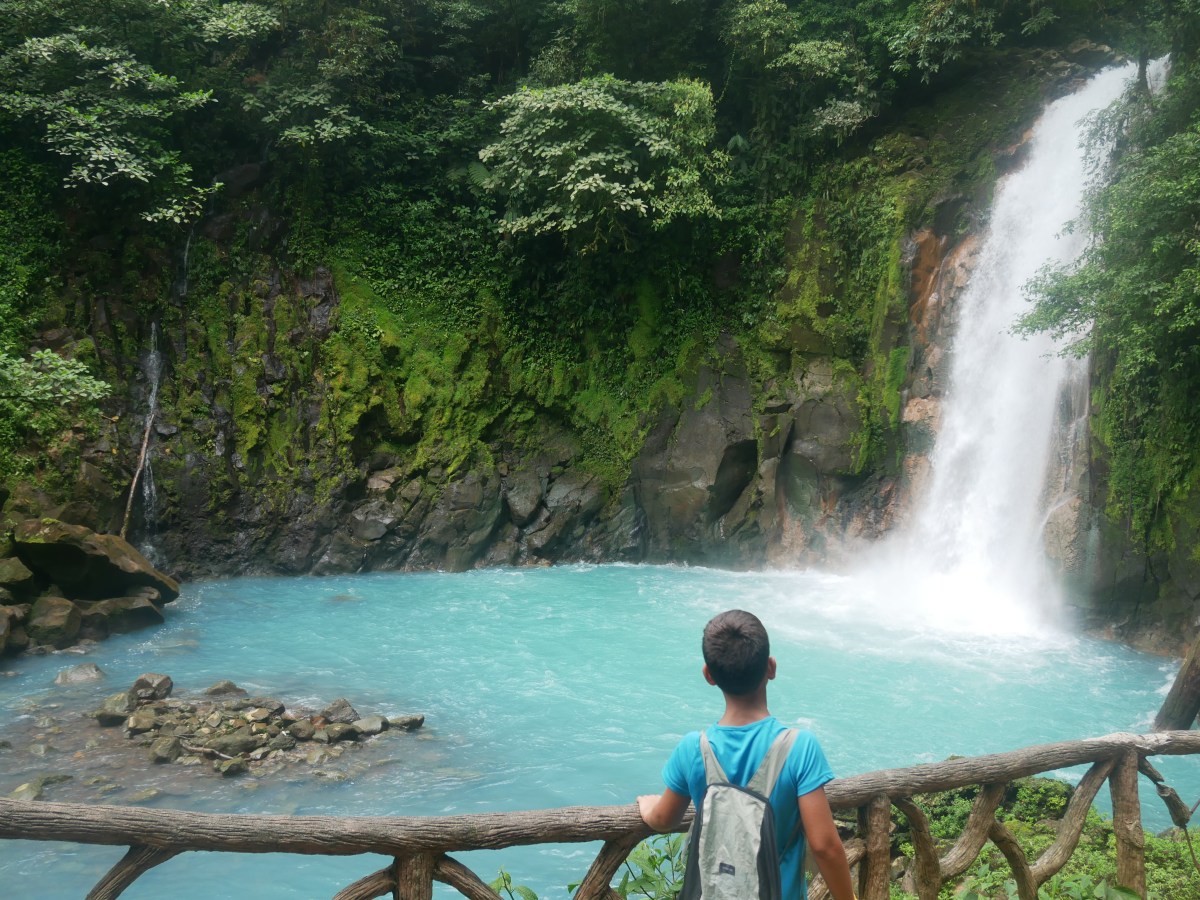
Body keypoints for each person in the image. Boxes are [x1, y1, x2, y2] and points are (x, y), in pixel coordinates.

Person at [637, 609, 857, 900]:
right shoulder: (799, 747)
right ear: (771, 668)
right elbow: (824, 847)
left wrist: (646, 805)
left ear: (708, 675)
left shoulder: (693, 748)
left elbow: (664, 819)